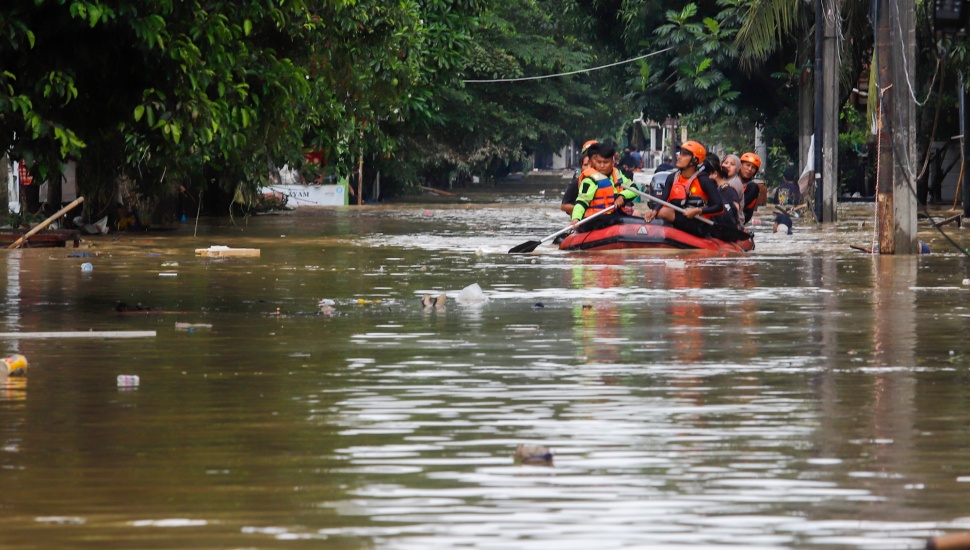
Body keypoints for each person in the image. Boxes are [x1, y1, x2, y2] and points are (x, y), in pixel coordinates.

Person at [643, 140, 724, 237]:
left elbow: (719, 206)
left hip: (698, 223)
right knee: (660, 211)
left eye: (684, 155)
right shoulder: (672, 178)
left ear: (694, 160)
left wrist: (697, 211)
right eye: (680, 153)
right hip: (680, 218)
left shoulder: (704, 181)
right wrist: (654, 211)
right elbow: (663, 199)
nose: (679, 157)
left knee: (664, 212)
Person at [571, 143, 638, 224]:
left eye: (605, 162)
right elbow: (581, 202)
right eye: (599, 162)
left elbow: (634, 189)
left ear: (612, 163)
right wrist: (576, 218)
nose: (602, 166)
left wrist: (622, 196)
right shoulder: (590, 180)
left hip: (615, 217)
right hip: (595, 220)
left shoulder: (617, 174)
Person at [561, 140, 599, 216]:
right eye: (586, 165)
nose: (589, 168)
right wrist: (582, 211)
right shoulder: (577, 181)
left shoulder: (610, 178)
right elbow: (564, 205)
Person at [706, 154, 743, 230]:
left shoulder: (731, 187)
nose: (727, 166)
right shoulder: (719, 186)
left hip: (731, 226)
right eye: (726, 163)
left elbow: (734, 210)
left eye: (732, 164)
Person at [739, 152, 762, 224]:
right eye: (747, 165)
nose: (749, 169)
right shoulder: (732, 180)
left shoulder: (752, 187)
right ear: (740, 165)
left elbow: (740, 205)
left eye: (753, 167)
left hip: (739, 219)